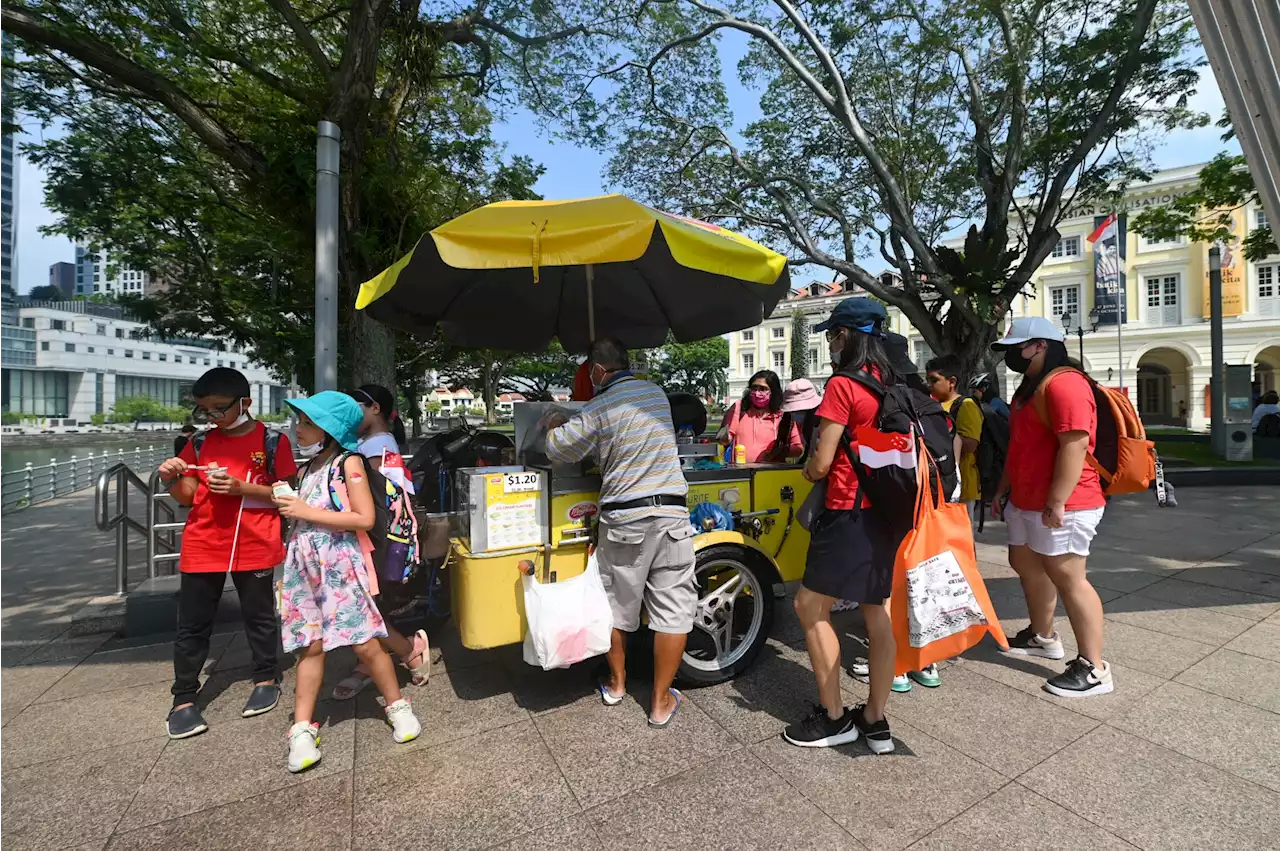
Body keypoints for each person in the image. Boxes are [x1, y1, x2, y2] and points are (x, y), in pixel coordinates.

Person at [543, 337, 696, 728]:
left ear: (596, 371)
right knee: (674, 611)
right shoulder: (656, 393)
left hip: (626, 520)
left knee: (617, 606)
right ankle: (661, 703)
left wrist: (554, 425)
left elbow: (559, 451)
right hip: (673, 515)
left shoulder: (598, 405)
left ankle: (617, 684)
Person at [273, 391, 421, 772]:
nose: (299, 430)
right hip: (303, 569)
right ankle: (302, 727)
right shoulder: (308, 470)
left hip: (339, 565)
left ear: (331, 429)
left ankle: (397, 705)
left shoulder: (348, 462)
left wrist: (305, 511)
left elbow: (364, 518)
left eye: (307, 423)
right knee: (309, 646)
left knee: (366, 642)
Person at [156, 367, 299, 740]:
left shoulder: (272, 441)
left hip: (254, 541)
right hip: (204, 543)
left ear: (245, 403)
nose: (212, 417)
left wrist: (241, 488)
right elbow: (187, 495)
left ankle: (266, 675)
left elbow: (288, 495)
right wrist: (171, 476)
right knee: (192, 623)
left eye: (219, 409)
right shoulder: (201, 443)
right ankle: (184, 697)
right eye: (204, 410)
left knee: (260, 616)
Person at [784, 298, 900, 753]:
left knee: (810, 607)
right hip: (886, 513)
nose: (830, 343)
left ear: (848, 335)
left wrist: (811, 471)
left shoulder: (842, 386)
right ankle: (874, 720)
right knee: (877, 611)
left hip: (847, 510)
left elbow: (821, 461)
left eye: (833, 334)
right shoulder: (892, 382)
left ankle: (834, 719)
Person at [992, 317, 1113, 697]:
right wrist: (1003, 489)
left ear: (1041, 345)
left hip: (1067, 501)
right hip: (1027, 499)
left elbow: (1074, 444)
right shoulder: (1029, 389)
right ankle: (1043, 636)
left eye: (1019, 346)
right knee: (1027, 565)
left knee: (1069, 578)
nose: (1012, 354)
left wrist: (1058, 500)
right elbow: (1019, 445)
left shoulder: (1065, 383)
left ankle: (1094, 668)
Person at [328, 384, 431, 700]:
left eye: (357, 405)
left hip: (374, 535)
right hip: (371, 533)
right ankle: (374, 659)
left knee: (362, 603)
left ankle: (404, 650)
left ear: (375, 409)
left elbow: (374, 498)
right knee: (364, 602)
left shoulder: (377, 446)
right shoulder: (369, 443)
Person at [926, 354, 984, 519]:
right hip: (939, 484)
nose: (929, 385)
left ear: (951, 382)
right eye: (927, 380)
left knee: (960, 539)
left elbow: (971, 444)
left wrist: (940, 434)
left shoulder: (967, 406)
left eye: (934, 380)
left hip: (962, 485)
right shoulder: (932, 405)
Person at [716, 370, 803, 462]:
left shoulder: (784, 416)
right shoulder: (740, 407)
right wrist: (724, 437)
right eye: (754, 388)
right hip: (742, 473)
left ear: (773, 391)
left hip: (772, 473)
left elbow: (798, 449)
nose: (757, 393)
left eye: (762, 389)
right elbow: (726, 439)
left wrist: (780, 450)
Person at [777, 378, 822, 463]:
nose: (795, 415)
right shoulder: (803, 426)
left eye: (800, 411)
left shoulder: (822, 427)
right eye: (792, 411)